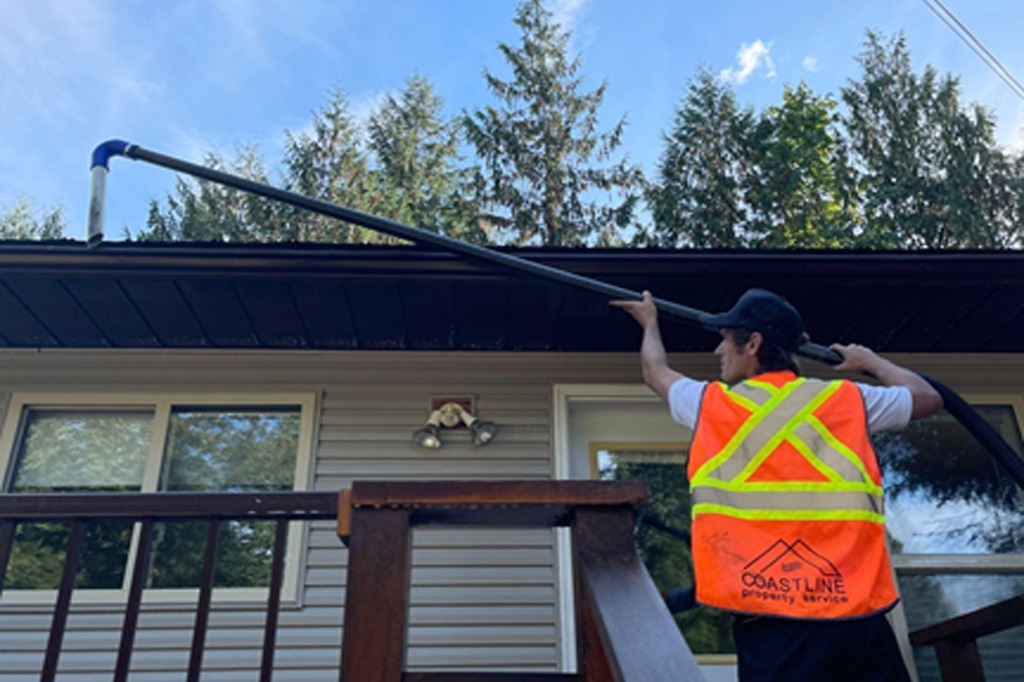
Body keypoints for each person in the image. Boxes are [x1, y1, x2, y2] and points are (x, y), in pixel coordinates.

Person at [611, 288, 943, 682]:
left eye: (725, 339)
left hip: (770, 622)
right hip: (854, 618)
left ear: (752, 343)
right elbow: (927, 397)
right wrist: (870, 361)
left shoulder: (712, 404)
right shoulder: (846, 400)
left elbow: (656, 373)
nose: (718, 351)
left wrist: (650, 323)